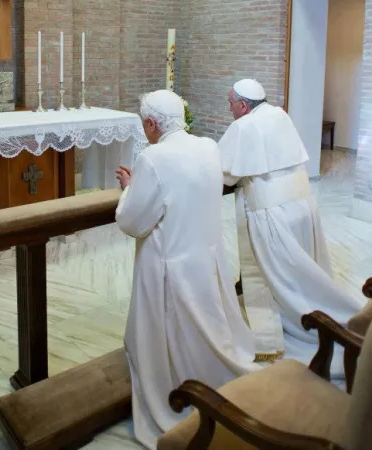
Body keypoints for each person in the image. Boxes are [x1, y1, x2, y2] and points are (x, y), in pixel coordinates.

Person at [115, 89, 261, 450]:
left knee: (164, 338)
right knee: (207, 323)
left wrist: (128, 190)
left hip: (169, 261)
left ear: (151, 124)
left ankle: (176, 381)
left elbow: (134, 221)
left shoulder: (153, 157)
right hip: (205, 255)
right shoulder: (209, 146)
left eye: (143, 123)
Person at [219, 78, 364, 374]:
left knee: (283, 279)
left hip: (272, 213)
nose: (230, 109)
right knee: (306, 271)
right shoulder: (279, 114)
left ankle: (304, 327)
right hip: (302, 205)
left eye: (231, 104)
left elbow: (224, 173)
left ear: (243, 105)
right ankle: (330, 315)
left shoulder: (242, 127)